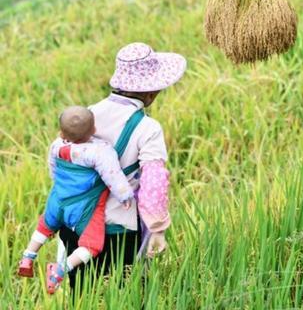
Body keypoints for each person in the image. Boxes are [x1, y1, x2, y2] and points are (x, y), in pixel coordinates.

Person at [57, 42, 186, 292]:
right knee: (125, 292)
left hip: (74, 223)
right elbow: (153, 182)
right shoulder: (148, 128)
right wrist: (158, 230)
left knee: (81, 295)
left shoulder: (86, 114)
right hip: (117, 228)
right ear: (151, 93)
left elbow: (62, 162)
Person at [17, 106, 134, 294]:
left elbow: (53, 169)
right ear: (94, 130)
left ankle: (28, 256)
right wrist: (124, 194)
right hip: (83, 208)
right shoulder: (99, 151)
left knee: (45, 225)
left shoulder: (56, 146)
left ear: (61, 132)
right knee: (92, 245)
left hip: (58, 199)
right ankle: (60, 269)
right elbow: (112, 174)